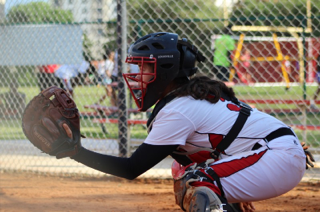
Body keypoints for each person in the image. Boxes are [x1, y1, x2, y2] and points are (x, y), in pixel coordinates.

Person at [71, 32, 311, 212]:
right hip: (274, 153)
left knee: (197, 181)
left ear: (164, 71)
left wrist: (73, 151)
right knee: (185, 169)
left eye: (144, 67)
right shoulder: (185, 99)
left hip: (275, 157)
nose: (136, 77)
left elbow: (131, 168)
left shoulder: (178, 109)